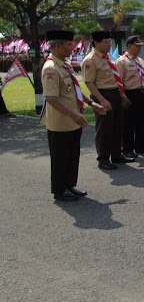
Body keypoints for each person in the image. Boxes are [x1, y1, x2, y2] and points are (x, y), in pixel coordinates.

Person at [41, 30, 106, 201]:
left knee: (72, 155)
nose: (71, 48)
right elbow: (51, 99)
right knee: (60, 157)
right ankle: (60, 190)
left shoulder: (65, 65)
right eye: (69, 45)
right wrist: (73, 115)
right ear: (58, 46)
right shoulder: (51, 69)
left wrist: (91, 103)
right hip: (61, 122)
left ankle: (69, 185)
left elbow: (75, 91)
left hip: (73, 120)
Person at [82, 31, 133, 170]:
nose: (109, 45)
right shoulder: (91, 59)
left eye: (110, 42)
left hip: (115, 94)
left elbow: (115, 77)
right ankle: (103, 159)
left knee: (117, 126)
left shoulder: (108, 56)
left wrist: (121, 95)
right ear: (96, 43)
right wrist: (101, 100)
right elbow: (89, 82)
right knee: (104, 128)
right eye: (106, 42)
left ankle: (117, 155)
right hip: (102, 94)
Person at [115, 36, 144, 158]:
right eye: (137, 46)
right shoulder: (122, 61)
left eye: (140, 46)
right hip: (129, 94)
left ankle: (140, 146)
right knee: (128, 123)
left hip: (141, 93)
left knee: (141, 122)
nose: (139, 48)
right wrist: (123, 97)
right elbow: (118, 81)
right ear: (130, 46)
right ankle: (127, 148)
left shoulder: (140, 61)